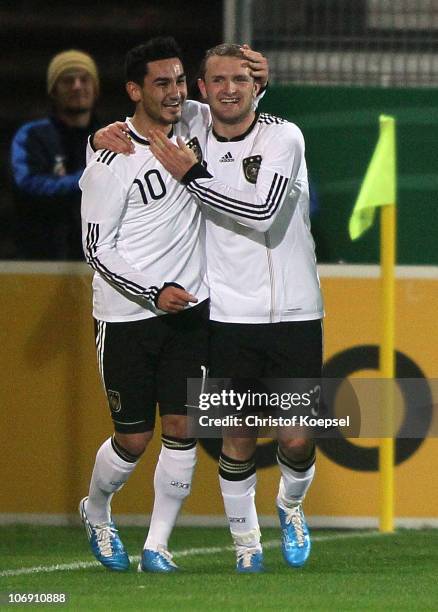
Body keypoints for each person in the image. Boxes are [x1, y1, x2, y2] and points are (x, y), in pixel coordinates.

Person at [79, 37, 268, 574]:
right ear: (134, 90)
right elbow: (97, 247)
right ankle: (97, 509)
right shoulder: (110, 159)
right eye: (161, 83)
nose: (175, 92)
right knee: (134, 438)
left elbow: (242, 105)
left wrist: (260, 75)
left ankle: (157, 547)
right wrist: (151, 290)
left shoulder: (197, 124)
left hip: (189, 312)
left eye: (181, 80)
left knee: (182, 428)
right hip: (127, 314)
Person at [146, 43, 324, 574]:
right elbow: (148, 111)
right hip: (225, 316)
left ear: (257, 87)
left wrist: (193, 177)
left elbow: (265, 213)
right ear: (203, 88)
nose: (228, 89)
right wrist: (100, 136)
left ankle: (290, 505)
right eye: (217, 80)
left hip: (294, 311)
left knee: (296, 437)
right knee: (237, 435)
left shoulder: (282, 136)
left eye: (240, 80)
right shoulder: (192, 128)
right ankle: (247, 545)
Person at [10, 49, 100, 260]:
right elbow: (26, 185)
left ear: (95, 88)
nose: (77, 86)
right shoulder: (32, 136)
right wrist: (87, 179)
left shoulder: (111, 136)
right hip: (40, 260)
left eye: (84, 79)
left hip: (99, 265)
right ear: (53, 90)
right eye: (68, 80)